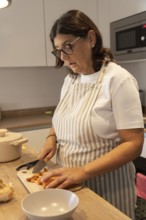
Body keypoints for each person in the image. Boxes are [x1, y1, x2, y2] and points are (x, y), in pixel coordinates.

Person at [38, 10, 144, 219]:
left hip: (107, 188)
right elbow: (62, 117)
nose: (63, 57)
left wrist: (83, 171)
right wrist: (52, 137)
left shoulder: (118, 80)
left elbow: (134, 144)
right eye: (58, 50)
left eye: (68, 46)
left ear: (91, 39)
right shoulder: (71, 80)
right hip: (70, 185)